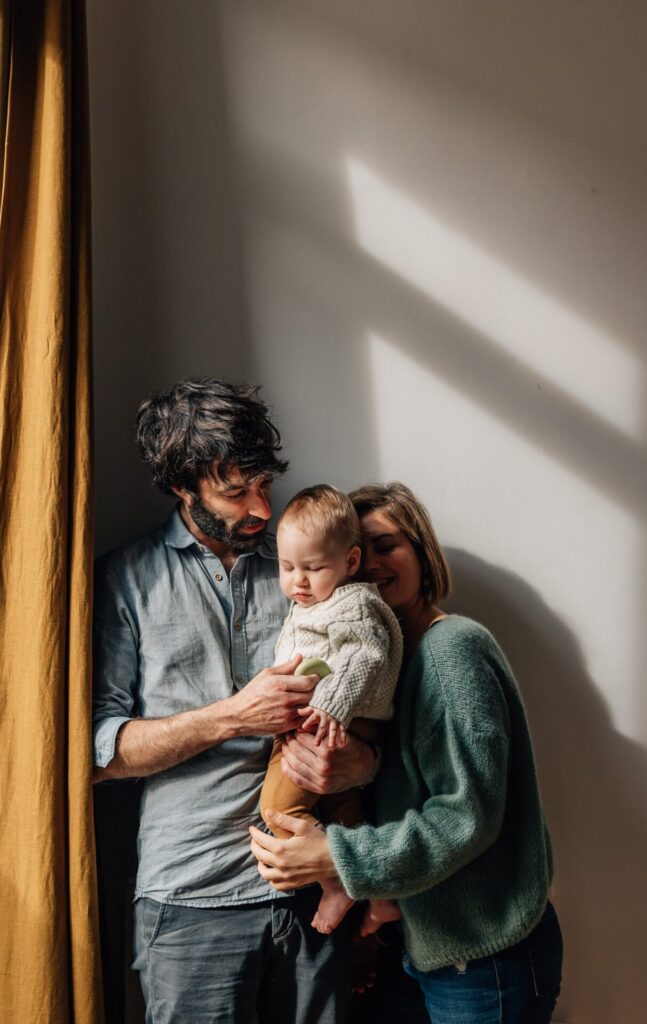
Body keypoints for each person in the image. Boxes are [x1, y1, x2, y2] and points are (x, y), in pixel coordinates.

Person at [92, 379, 376, 1024]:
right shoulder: (124, 581)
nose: (260, 508)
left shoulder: (305, 566)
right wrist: (233, 716)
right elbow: (95, 752)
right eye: (235, 491)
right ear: (181, 485)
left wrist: (358, 764)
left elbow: (368, 711)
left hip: (313, 889)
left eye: (264, 485)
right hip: (190, 899)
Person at [251, 482, 563, 1024]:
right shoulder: (401, 663)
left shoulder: (450, 650)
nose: (369, 563)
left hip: (483, 952)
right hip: (430, 944)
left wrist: (336, 858)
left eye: (386, 545)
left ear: (423, 552)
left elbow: (467, 813)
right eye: (359, 549)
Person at [261, 483, 403, 935]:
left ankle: (335, 881)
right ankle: (380, 896)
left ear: (351, 563)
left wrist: (331, 704)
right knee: (347, 812)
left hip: (329, 724)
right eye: (287, 568)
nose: (298, 581)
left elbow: (366, 656)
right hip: (326, 726)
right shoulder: (310, 605)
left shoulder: (354, 604)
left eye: (313, 568)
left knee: (277, 810)